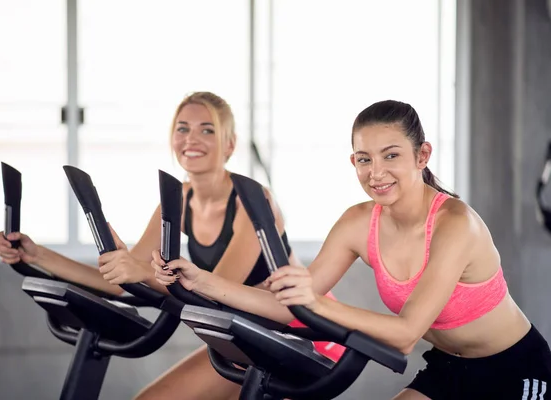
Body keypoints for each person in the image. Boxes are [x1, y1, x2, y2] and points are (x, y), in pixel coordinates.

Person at [152, 100, 551, 399]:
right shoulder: (359, 222)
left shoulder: (455, 224)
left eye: (390, 155)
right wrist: (200, 280)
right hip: (451, 367)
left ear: (422, 155)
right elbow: (287, 303)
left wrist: (317, 303)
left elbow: (406, 334)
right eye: (364, 159)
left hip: (514, 369)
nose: (375, 173)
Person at [0, 91, 343, 400]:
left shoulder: (253, 201)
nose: (192, 138)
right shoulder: (176, 202)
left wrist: (143, 272)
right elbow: (119, 281)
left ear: (230, 144)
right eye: (183, 128)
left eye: (207, 129)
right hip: (247, 336)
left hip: (306, 332)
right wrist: (36, 254)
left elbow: (217, 291)